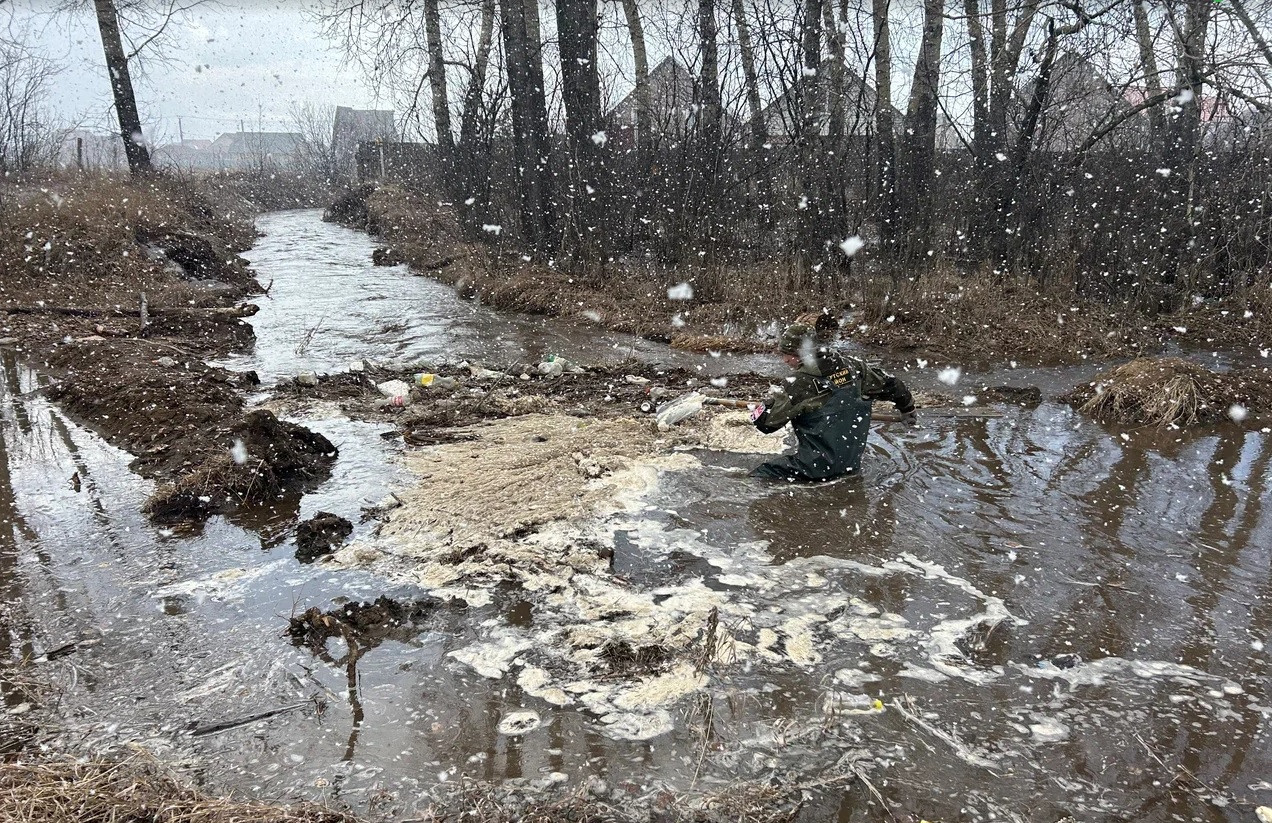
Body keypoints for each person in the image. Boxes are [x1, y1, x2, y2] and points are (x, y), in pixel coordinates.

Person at [750, 323, 917, 482]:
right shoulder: (853, 367)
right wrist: (907, 409)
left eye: (787, 354)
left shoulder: (798, 384)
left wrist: (766, 404)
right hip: (851, 466)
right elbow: (894, 386)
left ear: (801, 353)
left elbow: (765, 424)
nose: (784, 360)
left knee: (757, 476)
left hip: (814, 470)